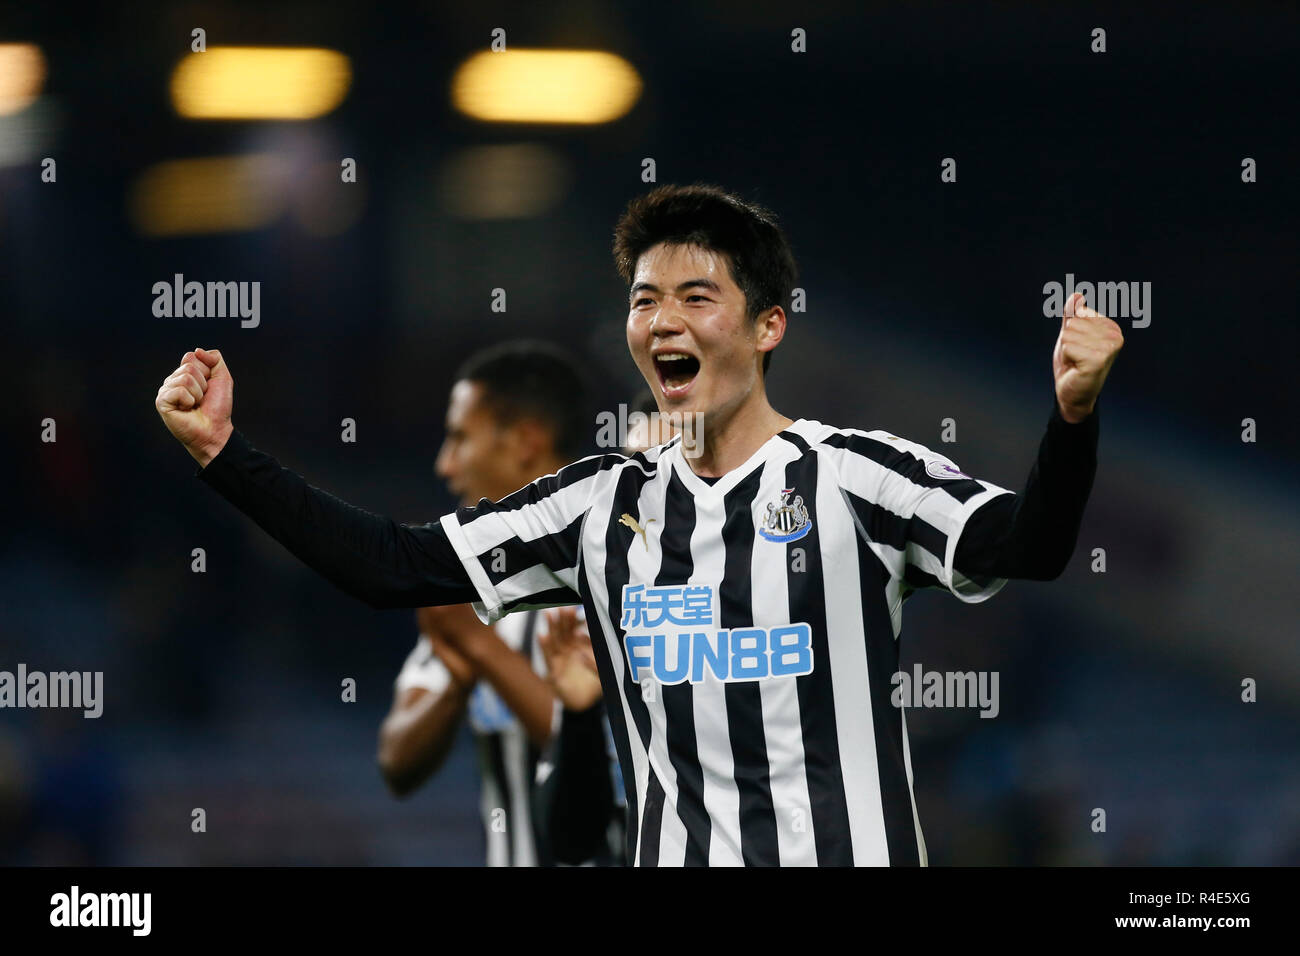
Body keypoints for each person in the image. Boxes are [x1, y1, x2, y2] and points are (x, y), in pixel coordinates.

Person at [154, 183, 1122, 866]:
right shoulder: (595, 504)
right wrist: (222, 452)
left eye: (696, 296)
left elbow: (1025, 545)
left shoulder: (858, 474)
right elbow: (389, 564)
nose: (662, 320)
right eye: (643, 299)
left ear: (767, 325)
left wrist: (1071, 418)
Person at [378, 340, 589, 866]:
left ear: (525, 441)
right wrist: (457, 672)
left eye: (459, 439)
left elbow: (604, 765)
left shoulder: (617, 563)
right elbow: (395, 764)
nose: (445, 465)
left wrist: (479, 648)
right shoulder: (470, 585)